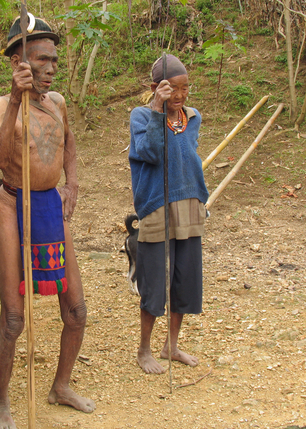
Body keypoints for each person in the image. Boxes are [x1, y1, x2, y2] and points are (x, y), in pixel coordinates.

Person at [0, 16, 95, 429]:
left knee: (77, 312)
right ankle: (1, 404)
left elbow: (68, 147)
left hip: (50, 206)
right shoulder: (0, 105)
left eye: (54, 60)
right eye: (42, 60)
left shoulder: (59, 103)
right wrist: (15, 100)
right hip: (12, 205)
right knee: (14, 318)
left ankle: (60, 387)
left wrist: (73, 184)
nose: (51, 68)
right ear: (19, 62)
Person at [128, 54, 209, 375]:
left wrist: (200, 196)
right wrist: (158, 110)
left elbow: (186, 156)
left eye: (185, 88)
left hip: (189, 204)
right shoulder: (141, 116)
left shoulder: (193, 117)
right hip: (155, 205)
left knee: (184, 280)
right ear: (156, 88)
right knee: (154, 282)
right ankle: (144, 349)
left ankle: (171, 346)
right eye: (173, 88)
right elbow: (148, 152)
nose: (180, 95)